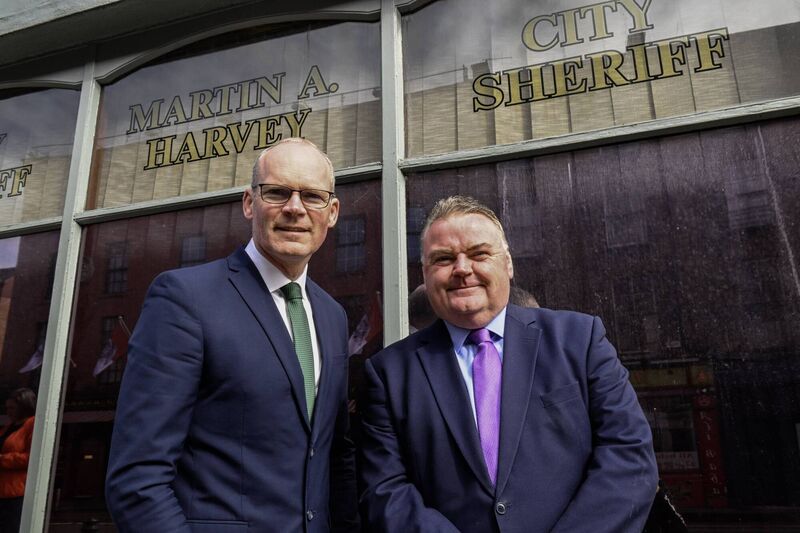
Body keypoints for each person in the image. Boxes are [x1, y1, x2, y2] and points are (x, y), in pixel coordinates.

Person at [359, 195, 657, 532]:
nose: (462, 268)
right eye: (443, 259)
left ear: (508, 263)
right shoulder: (389, 373)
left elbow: (628, 456)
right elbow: (385, 490)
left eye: (479, 254)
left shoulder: (579, 340)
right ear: (425, 275)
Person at [106, 138, 358, 533]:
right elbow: (138, 479)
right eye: (277, 192)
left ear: (332, 212)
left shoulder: (332, 315)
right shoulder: (185, 298)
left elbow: (333, 454)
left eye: (312, 196)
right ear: (248, 202)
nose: (294, 208)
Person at [0, 388, 36, 533]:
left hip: (15, 492)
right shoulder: (8, 427)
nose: (8, 411)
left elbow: (32, 457)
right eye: (7, 408)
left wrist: (2, 460)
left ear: (24, 406)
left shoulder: (32, 425)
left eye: (12, 408)